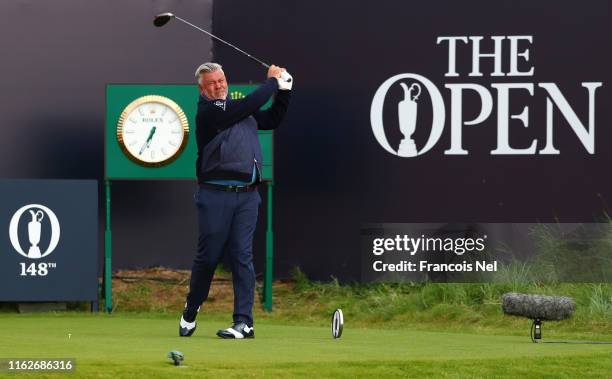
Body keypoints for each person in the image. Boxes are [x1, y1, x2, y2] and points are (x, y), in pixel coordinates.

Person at [179, 62, 292, 339]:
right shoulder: (209, 112)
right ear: (202, 89)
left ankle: (245, 322)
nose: (219, 85)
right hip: (214, 195)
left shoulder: (240, 110)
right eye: (212, 83)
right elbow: (248, 104)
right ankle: (191, 309)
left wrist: (285, 91)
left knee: (243, 256)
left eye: (221, 80)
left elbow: (272, 119)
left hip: (247, 197)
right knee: (208, 259)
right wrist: (272, 82)